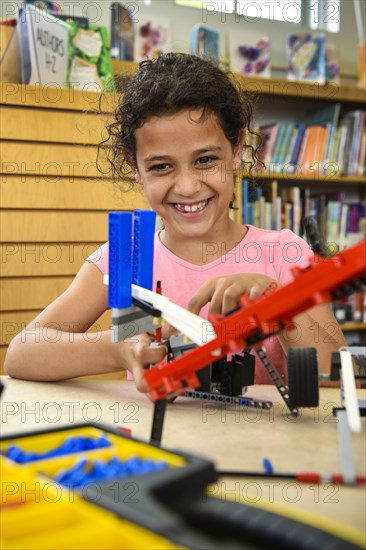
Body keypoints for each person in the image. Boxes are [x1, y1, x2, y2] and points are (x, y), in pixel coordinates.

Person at [4, 52, 346, 390]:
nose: (186, 186)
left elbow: (335, 375)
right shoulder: (125, 258)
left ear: (237, 146)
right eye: (161, 166)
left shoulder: (283, 253)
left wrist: (277, 305)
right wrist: (116, 348)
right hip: (153, 443)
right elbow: (21, 354)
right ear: (134, 167)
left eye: (206, 160)